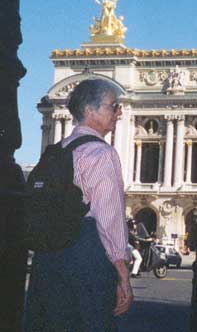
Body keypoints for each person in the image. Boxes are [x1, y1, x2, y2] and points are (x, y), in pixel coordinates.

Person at [25, 79, 132, 331]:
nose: (119, 113)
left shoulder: (56, 150)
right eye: (113, 106)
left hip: (48, 257)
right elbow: (109, 219)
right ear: (89, 111)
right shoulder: (101, 154)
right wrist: (122, 272)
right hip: (86, 256)